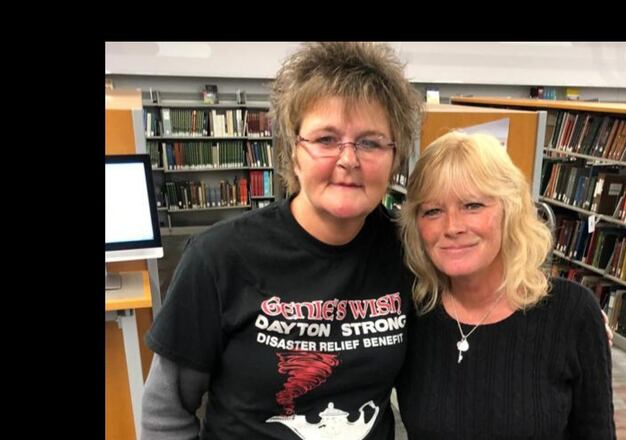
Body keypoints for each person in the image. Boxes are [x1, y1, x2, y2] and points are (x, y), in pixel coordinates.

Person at [141, 42, 423, 440]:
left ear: (395, 159)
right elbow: (165, 412)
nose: (349, 160)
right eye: (326, 139)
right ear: (293, 153)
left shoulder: (410, 253)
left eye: (371, 142)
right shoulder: (218, 257)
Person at [395, 131, 616, 439]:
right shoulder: (408, 312)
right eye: (432, 211)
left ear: (509, 209)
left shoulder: (572, 313)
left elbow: (597, 431)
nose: (452, 227)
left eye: (472, 205)